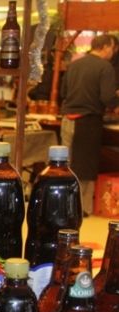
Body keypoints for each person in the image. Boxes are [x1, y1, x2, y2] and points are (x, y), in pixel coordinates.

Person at [60, 34, 119, 215]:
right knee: (86, 166)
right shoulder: (105, 67)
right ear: (107, 47)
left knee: (65, 164)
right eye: (113, 49)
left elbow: (63, 92)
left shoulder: (74, 65)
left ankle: (63, 206)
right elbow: (107, 97)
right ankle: (82, 209)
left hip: (67, 120)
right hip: (88, 122)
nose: (113, 53)